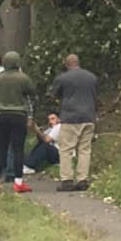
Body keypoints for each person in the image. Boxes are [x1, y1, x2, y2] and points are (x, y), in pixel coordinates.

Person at [0, 51, 36, 193]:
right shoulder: (23, 78)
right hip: (19, 115)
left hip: (2, 115)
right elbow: (32, 91)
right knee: (18, 149)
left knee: (0, 148)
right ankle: (18, 181)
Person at [50, 54, 98, 192]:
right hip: (89, 116)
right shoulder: (91, 77)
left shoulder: (62, 78)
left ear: (66, 64)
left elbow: (54, 95)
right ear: (78, 62)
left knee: (66, 149)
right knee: (84, 150)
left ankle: (67, 180)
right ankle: (82, 179)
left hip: (70, 117)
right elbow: (94, 96)